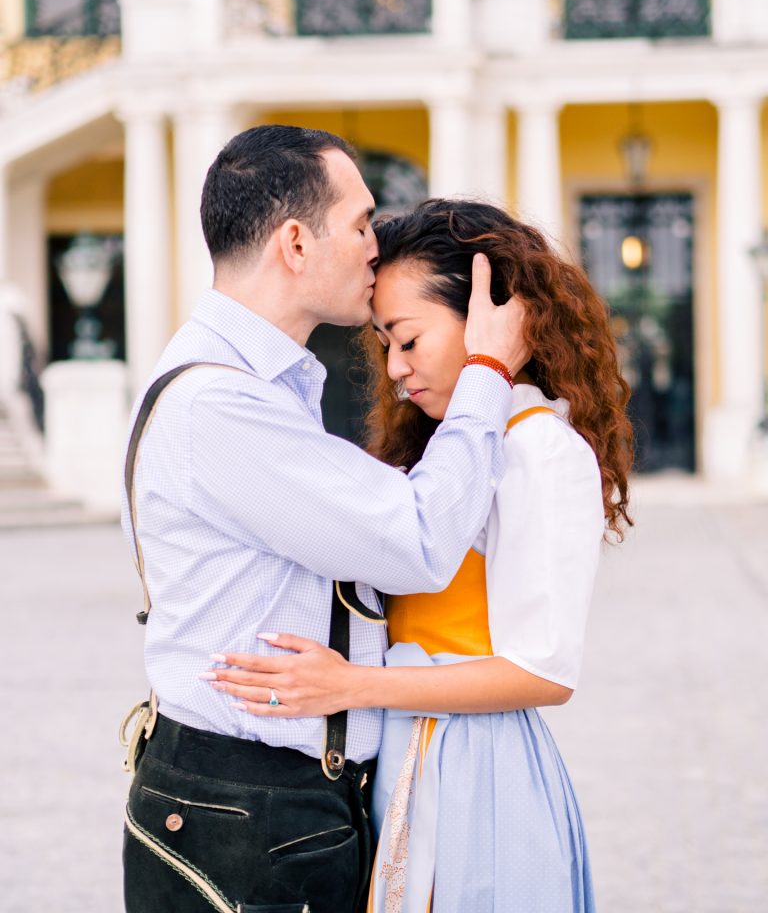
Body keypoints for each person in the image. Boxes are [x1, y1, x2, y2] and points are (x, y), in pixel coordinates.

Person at [121, 128, 530, 913]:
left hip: (257, 805)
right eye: (362, 223)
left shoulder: (252, 386)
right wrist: (486, 373)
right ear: (297, 243)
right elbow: (416, 544)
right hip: (247, 811)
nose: (375, 247)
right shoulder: (225, 404)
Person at [204, 198, 634, 913]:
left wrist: (351, 687)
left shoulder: (539, 450)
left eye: (408, 339)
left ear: (490, 317)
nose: (397, 368)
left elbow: (544, 671)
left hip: (479, 777)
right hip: (412, 760)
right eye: (385, 346)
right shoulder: (452, 451)